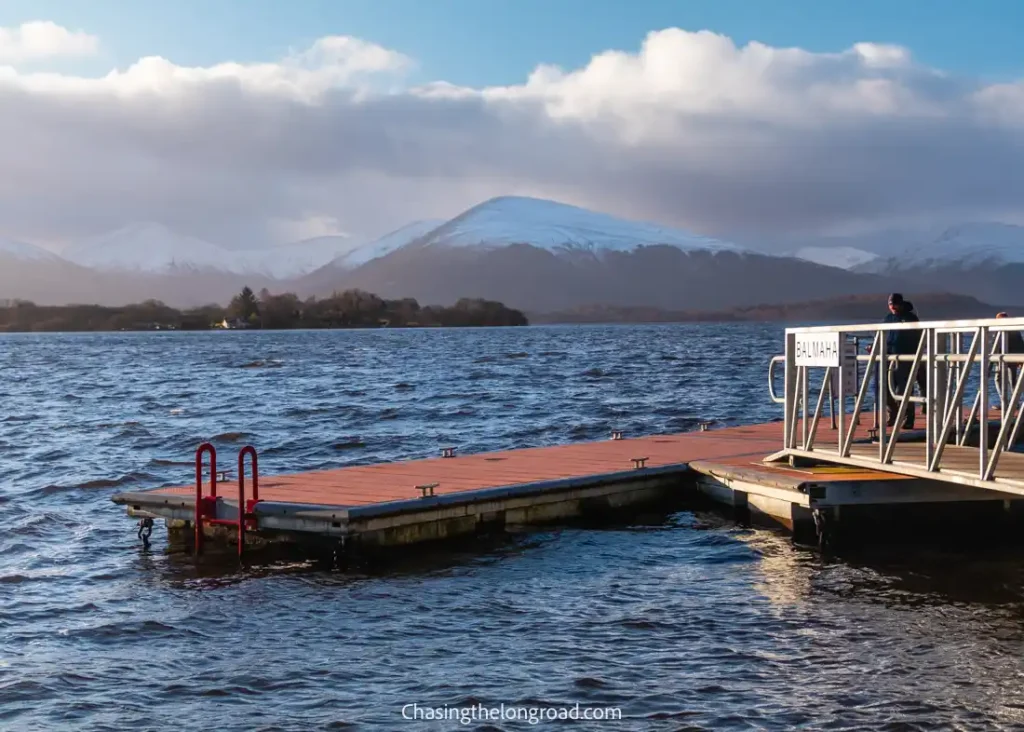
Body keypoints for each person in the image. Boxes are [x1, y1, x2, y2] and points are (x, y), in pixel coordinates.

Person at [882, 293, 919, 429]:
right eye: (891, 304)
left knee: (904, 388)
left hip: (906, 357)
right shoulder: (888, 319)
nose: (893, 307)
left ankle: (908, 418)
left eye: (895, 304)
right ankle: (893, 414)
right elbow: (883, 336)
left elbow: (917, 337)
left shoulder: (910, 318)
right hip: (889, 356)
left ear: (901, 304)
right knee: (885, 387)